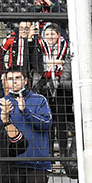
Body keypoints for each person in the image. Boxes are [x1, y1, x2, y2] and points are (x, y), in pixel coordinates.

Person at [35, 23, 73, 159]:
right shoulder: (39, 46)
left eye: (53, 34)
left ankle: (64, 153)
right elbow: (38, 63)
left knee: (61, 122)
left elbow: (69, 63)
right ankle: (49, 153)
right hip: (45, 86)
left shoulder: (66, 47)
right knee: (48, 122)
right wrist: (55, 63)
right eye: (47, 34)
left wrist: (59, 63)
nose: (50, 37)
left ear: (58, 35)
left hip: (62, 87)